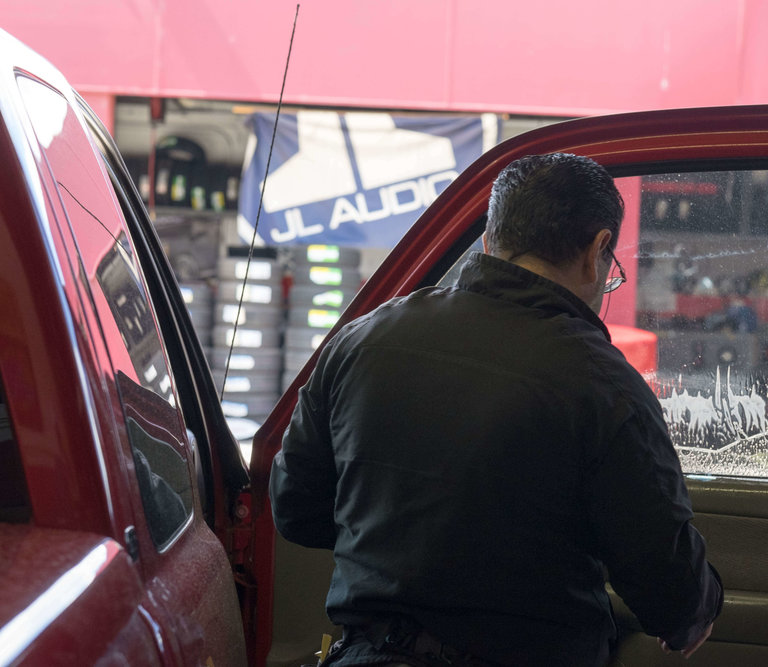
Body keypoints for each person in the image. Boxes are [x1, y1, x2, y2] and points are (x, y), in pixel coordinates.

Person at [270, 152, 723, 667]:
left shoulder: (361, 341)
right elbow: (671, 594)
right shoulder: (604, 385)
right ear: (598, 250)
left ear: (490, 239)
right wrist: (700, 607)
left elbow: (295, 510)